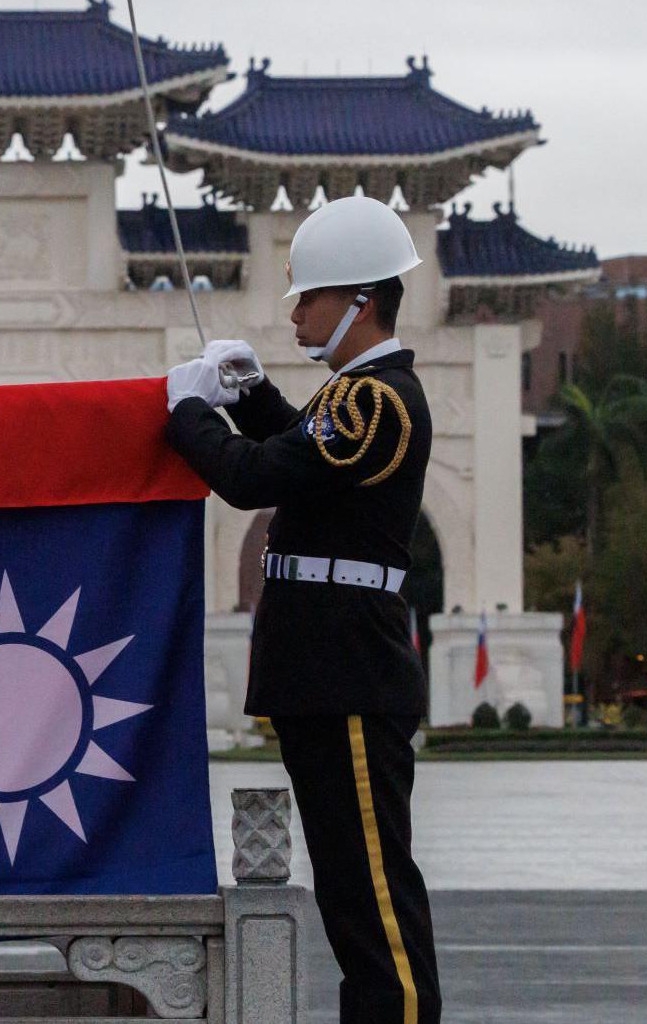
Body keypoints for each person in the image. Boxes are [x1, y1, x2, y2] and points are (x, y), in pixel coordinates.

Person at [161, 195, 440, 1024]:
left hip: (347, 670)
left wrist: (186, 413)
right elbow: (294, 450)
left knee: (373, 897)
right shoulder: (352, 398)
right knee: (352, 894)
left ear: (360, 301)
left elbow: (253, 477)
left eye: (310, 298)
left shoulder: (376, 399)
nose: (296, 313)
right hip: (328, 668)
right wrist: (247, 394)